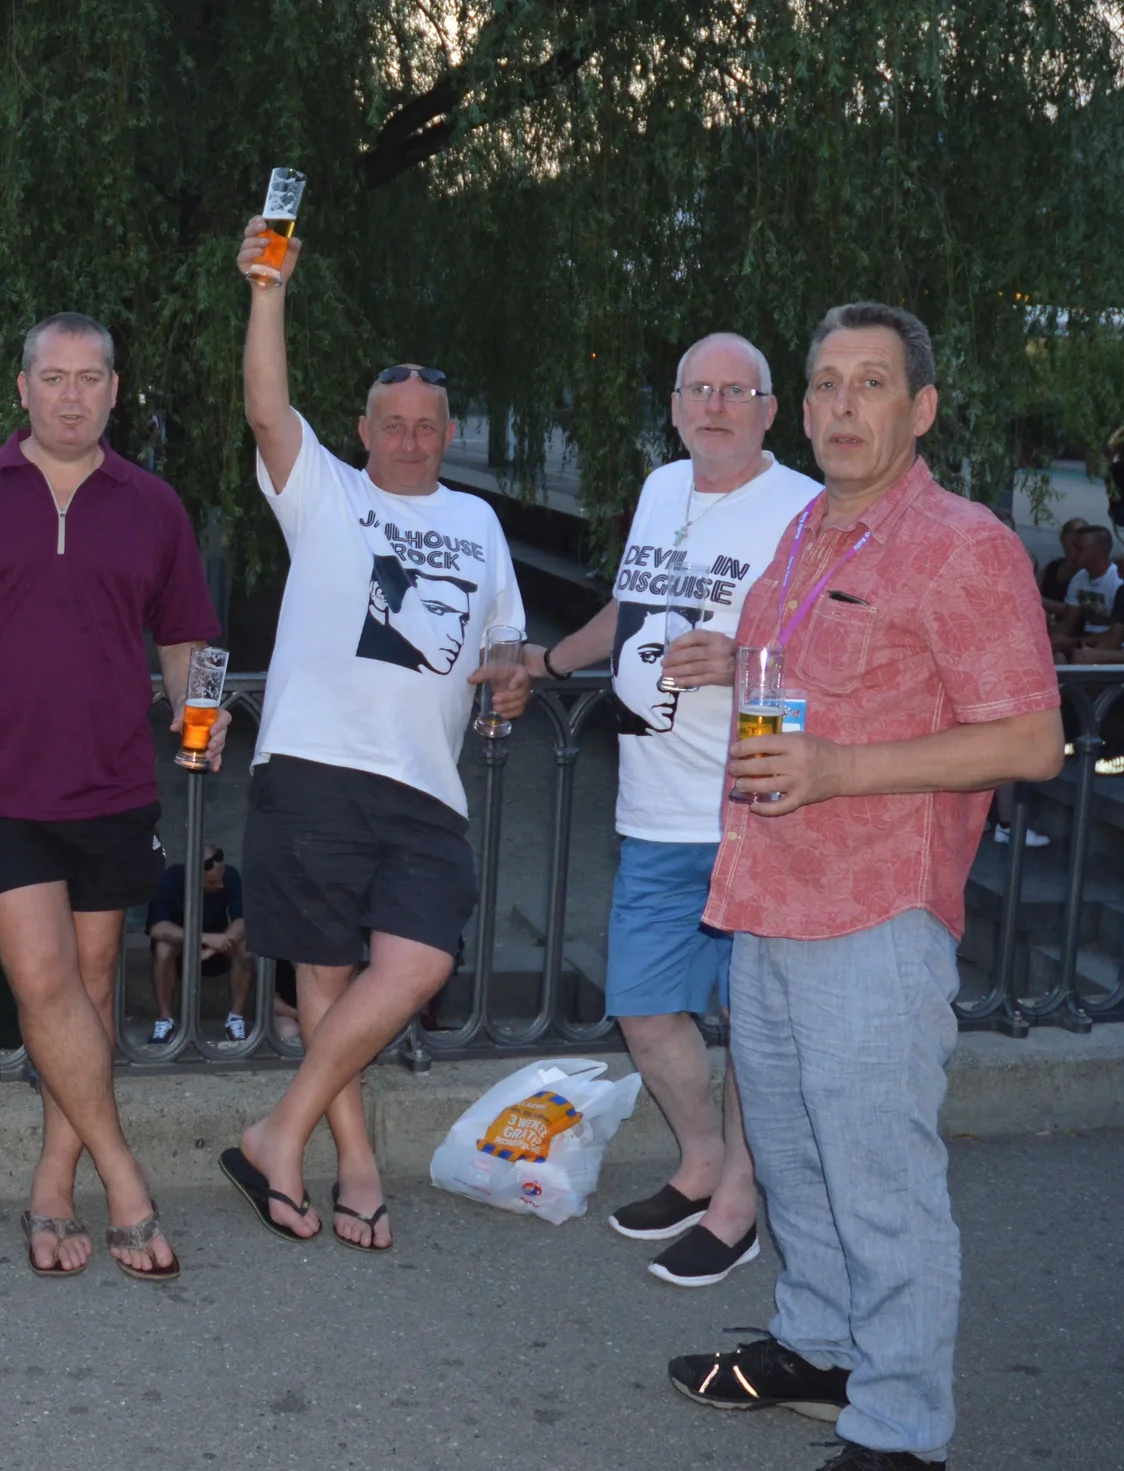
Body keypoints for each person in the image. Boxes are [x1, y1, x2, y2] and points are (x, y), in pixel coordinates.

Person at [668, 304, 1063, 1471]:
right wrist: (724, 663)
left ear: (919, 408)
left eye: (871, 384)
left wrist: (841, 769)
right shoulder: (804, 532)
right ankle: (818, 1345)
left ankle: (899, 1427)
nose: (843, 405)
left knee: (881, 1181)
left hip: (875, 915)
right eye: (827, 383)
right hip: (768, 895)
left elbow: (1034, 739)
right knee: (792, 1159)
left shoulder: (963, 544)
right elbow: (794, 676)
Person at [0, 311, 215, 1280]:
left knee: (90, 989)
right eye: (52, 377)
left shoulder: (154, 507)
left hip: (111, 784)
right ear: (21, 389)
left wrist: (201, 712)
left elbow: (188, 640)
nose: (70, 394)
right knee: (46, 982)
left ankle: (54, 1185)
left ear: (113, 390)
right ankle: (125, 1182)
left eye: (89, 378)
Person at [216, 220, 529, 1253]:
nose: (408, 437)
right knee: (324, 976)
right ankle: (349, 1164)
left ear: (447, 433)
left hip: (428, 786)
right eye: (390, 422)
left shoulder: (481, 526)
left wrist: (514, 681)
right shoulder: (325, 495)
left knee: (417, 963)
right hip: (312, 763)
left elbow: (505, 645)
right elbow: (266, 405)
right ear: (359, 431)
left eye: (426, 424)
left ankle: (277, 1131)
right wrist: (270, 290)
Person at [520, 333, 820, 1287]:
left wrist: (741, 659)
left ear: (770, 409)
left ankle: (740, 1201)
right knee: (647, 1007)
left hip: (752, 806)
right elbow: (631, 604)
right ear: (678, 403)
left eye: (737, 390)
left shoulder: (805, 507)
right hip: (653, 802)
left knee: (755, 1027)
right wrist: (550, 661)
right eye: (699, 389)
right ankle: (699, 1162)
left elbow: (835, 645)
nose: (716, 405)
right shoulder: (660, 487)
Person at [148, 847, 250, 1044]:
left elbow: (243, 921)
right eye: (212, 882)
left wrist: (215, 946)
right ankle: (165, 1019)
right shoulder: (170, 879)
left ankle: (235, 1019)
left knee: (245, 949)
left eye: (220, 878)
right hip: (183, 946)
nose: (220, 885)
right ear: (193, 878)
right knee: (163, 948)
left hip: (216, 950)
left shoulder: (230, 876)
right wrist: (203, 938)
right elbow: (158, 927)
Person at [1049, 524, 1121, 661]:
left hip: (1112, 647)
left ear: (1100, 552)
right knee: (1056, 656)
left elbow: (1117, 634)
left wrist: (1074, 642)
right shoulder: (1080, 577)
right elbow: (1068, 624)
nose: (1072, 553)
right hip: (1086, 641)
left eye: (1079, 548)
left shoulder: (1117, 582)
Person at [1035, 517, 1086, 604]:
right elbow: (1035, 590)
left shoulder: (1087, 571)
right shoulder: (1052, 567)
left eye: (1082, 532)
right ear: (1062, 536)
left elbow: (1074, 608)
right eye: (1073, 532)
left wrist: (1038, 601)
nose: (1077, 536)